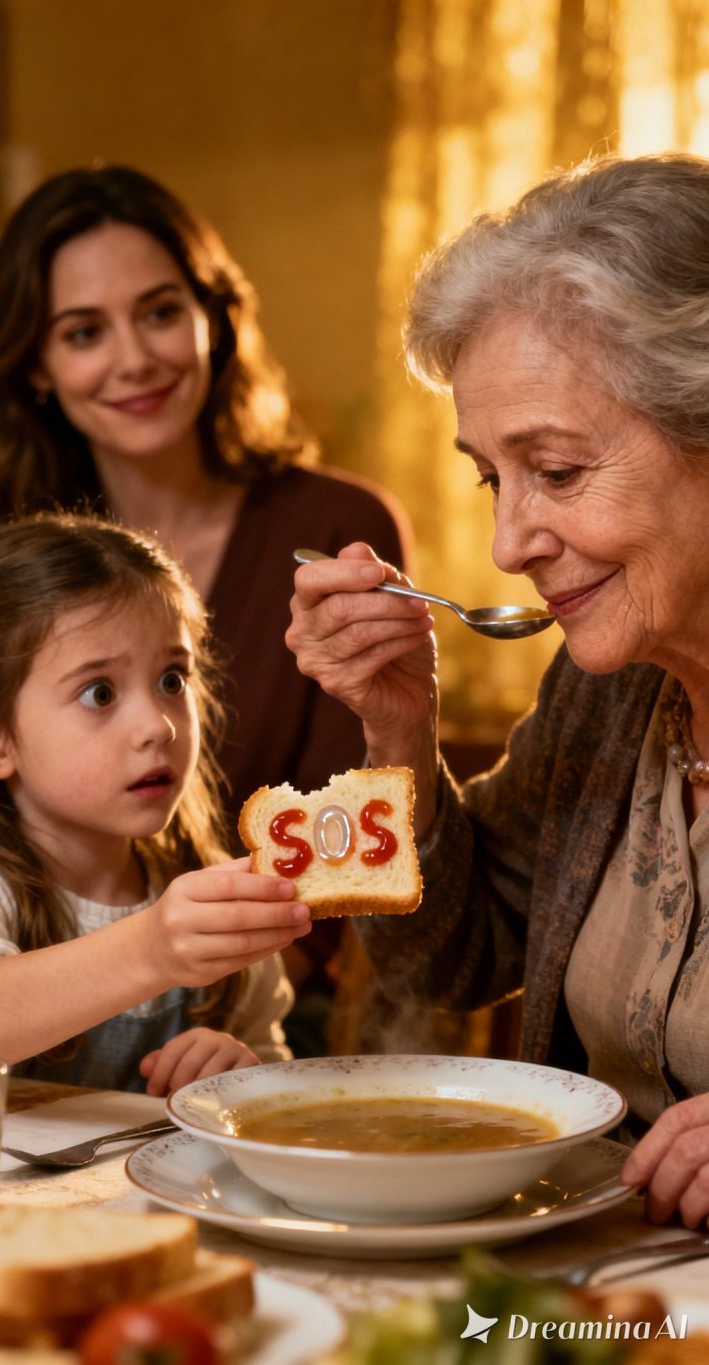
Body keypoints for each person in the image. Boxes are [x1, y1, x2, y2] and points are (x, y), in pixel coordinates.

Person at [287, 151, 709, 1228]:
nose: (507, 543)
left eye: (556, 472)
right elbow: (445, 960)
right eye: (491, 477)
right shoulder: (609, 693)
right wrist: (397, 734)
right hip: (602, 1289)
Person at [0, 164, 413, 1054]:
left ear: (213, 320)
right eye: (84, 331)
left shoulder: (335, 529)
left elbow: (353, 839)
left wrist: (221, 981)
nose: (134, 358)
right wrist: (149, 950)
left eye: (160, 312)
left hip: (263, 978)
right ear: (37, 364)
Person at [0, 513, 311, 1094]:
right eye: (100, 693)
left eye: (172, 680)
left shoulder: (216, 899)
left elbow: (271, 1076)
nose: (159, 726)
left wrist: (239, 1073)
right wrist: (151, 950)